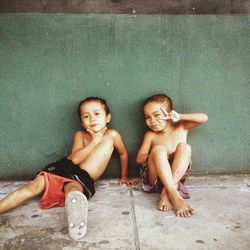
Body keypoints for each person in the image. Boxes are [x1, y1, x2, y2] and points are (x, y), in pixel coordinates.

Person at [0, 96, 138, 240]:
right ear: (82, 122)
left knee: (73, 189)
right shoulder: (80, 135)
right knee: (32, 187)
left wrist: (124, 176)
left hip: (83, 176)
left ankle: (75, 214)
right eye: (86, 116)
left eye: (97, 114)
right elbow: (75, 159)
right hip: (63, 167)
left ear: (107, 117)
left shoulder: (112, 135)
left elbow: (123, 154)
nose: (92, 119)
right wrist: (94, 141)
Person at [136, 94, 208, 217]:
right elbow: (139, 159)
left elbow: (203, 118)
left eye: (157, 115)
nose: (152, 120)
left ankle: (167, 192)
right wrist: (157, 156)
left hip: (177, 176)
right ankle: (175, 196)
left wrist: (180, 117)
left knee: (185, 147)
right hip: (156, 178)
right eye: (147, 117)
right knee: (159, 149)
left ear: (169, 114)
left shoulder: (182, 127)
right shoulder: (150, 135)